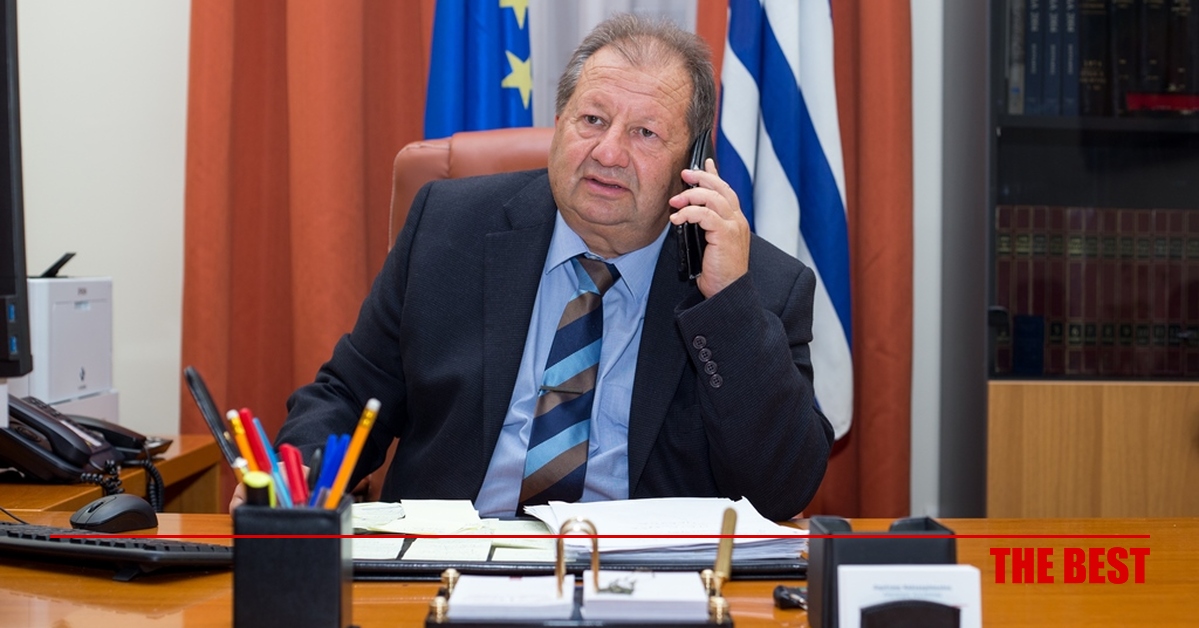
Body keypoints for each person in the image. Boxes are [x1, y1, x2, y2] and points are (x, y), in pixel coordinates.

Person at [254, 14, 833, 521]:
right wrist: (294, 479)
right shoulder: (448, 227)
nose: (609, 152)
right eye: (592, 120)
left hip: (644, 581)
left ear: (695, 161)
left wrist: (726, 305)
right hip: (448, 565)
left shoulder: (756, 286)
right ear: (559, 123)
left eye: (645, 133)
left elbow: (780, 489)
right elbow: (350, 395)